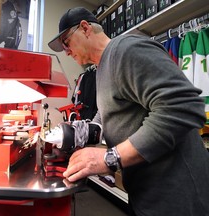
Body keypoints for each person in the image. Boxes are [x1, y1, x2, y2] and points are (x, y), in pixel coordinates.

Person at [48, 7, 209, 216]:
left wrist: (110, 158)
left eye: (66, 43)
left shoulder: (126, 50)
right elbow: (110, 115)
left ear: (85, 28)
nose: (66, 51)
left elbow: (183, 107)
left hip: (177, 196)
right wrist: (82, 130)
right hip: (146, 192)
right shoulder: (102, 68)